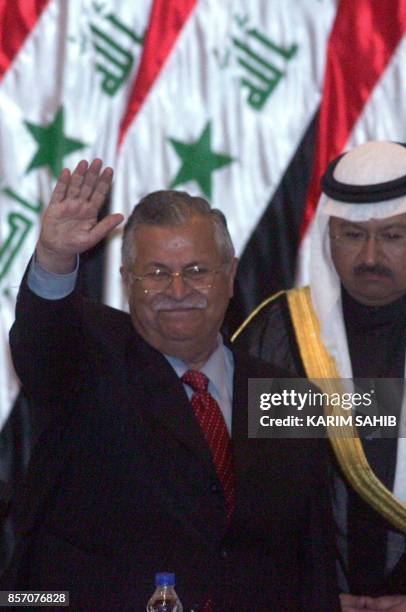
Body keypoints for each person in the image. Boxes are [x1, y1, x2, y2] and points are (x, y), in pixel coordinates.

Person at [5, 160, 339, 610]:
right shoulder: (90, 358)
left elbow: (311, 562)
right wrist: (54, 258)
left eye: (198, 270)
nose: (178, 290)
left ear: (230, 274)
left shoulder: (289, 397)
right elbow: (42, 343)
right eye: (157, 273)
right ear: (127, 282)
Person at [234, 141, 406, 611]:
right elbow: (250, 497)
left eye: (392, 236)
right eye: (352, 235)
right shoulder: (279, 337)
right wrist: (314, 600)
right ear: (327, 236)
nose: (371, 255)